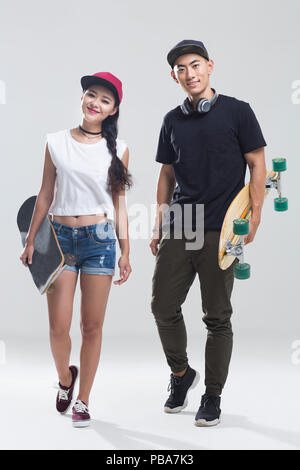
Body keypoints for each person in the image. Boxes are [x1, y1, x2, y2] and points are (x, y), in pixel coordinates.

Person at [150, 40, 267, 426]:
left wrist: (254, 215)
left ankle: (212, 396)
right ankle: (182, 375)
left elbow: (257, 164)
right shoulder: (171, 120)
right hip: (181, 225)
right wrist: (158, 224)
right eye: (181, 69)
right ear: (174, 77)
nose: (190, 74)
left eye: (195, 65)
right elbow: (166, 175)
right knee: (163, 307)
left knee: (217, 317)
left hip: (223, 228)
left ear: (210, 66)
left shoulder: (238, 112)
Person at [20, 72, 132, 428]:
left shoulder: (120, 149)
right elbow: (45, 194)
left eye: (104, 100)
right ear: (83, 98)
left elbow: (119, 204)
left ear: (113, 110)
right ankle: (66, 380)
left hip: (100, 240)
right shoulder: (55, 142)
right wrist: (30, 240)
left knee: (91, 327)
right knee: (58, 328)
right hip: (59, 240)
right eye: (90, 95)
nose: (94, 103)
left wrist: (126, 251)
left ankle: (83, 399)